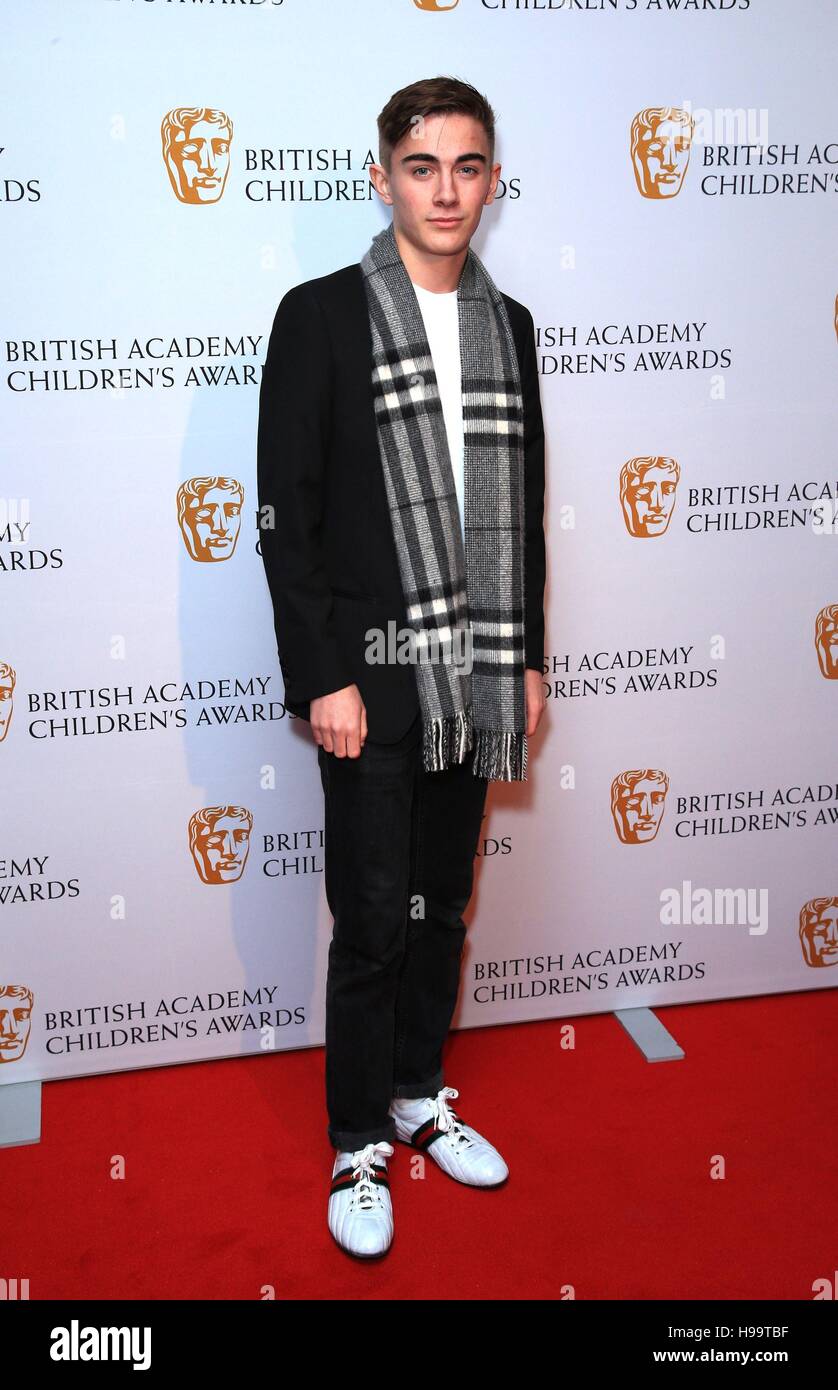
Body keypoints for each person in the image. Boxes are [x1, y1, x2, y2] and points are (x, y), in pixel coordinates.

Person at [257, 75, 547, 1259]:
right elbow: (290, 511)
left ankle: (421, 1095)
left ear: (490, 180)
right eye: (421, 166)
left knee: (443, 905)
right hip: (367, 683)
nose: (445, 189)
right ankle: (354, 1142)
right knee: (374, 915)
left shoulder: (509, 325)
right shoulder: (320, 315)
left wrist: (525, 657)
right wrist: (321, 673)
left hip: (476, 676)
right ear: (381, 177)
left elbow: (523, 512)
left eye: (467, 166)